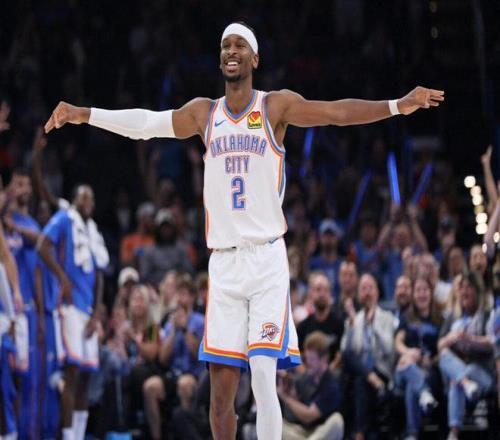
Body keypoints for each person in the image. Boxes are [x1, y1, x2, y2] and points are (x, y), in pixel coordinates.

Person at [44, 20, 444, 439]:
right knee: (220, 399)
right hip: (224, 265)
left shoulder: (274, 107)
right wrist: (84, 114)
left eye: (239, 45)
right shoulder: (205, 113)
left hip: (266, 258)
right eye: (225, 46)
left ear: (255, 58)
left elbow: (335, 113)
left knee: (263, 373)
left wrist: (396, 105)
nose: (231, 51)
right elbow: (146, 124)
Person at [37, 184, 109, 440]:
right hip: (69, 307)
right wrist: (62, 278)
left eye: (91, 198)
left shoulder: (92, 232)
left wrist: (97, 313)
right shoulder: (64, 219)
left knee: (86, 378)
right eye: (82, 197)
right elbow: (42, 245)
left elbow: (100, 274)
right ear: (75, 200)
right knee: (72, 374)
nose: (87, 202)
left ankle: (78, 435)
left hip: (88, 310)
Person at [4, 168, 43, 439]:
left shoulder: (27, 224)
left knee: (22, 378)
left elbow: (39, 246)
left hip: (22, 309)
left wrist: (38, 309)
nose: (24, 189)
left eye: (27, 184)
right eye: (18, 184)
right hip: (5, 309)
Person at [437, 271, 494, 440]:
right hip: (462, 372)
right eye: (461, 288)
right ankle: (466, 383)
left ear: (477, 291)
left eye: (468, 287)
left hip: (483, 373)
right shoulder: (453, 317)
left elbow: (493, 342)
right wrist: (451, 338)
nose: (464, 291)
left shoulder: (488, 314)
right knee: (444, 356)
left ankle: (454, 433)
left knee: (457, 379)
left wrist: (469, 339)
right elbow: (440, 346)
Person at [341, 273, 395, 440]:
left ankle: (359, 433)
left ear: (377, 293)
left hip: (381, 371)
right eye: (363, 288)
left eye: (370, 288)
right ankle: (361, 433)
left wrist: (374, 326)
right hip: (362, 373)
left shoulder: (387, 317)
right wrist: (351, 325)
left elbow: (389, 350)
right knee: (355, 370)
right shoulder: (353, 320)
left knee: (360, 382)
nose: (367, 292)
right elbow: (346, 352)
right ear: (359, 294)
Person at [394, 276, 443, 440]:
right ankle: (424, 392)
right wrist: (408, 353)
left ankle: (412, 434)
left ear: (431, 293)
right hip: (405, 368)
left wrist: (431, 361)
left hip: (429, 371)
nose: (422, 294)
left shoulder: (439, 319)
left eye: (425, 290)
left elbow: (443, 350)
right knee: (407, 367)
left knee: (412, 386)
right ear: (413, 295)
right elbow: (398, 342)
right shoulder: (406, 317)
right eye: (418, 290)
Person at [279, 331, 344, 440]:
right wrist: (289, 392)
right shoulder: (306, 378)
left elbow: (308, 416)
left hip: (321, 431)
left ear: (324, 359)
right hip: (304, 432)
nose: (308, 363)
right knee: (277, 424)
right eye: (307, 359)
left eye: (312, 359)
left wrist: (285, 397)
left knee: (337, 421)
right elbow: (297, 408)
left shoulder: (331, 384)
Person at [297, 271, 344, 369]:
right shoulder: (302, 327)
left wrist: (326, 374)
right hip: (308, 375)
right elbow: (298, 358)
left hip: (332, 374)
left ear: (330, 294)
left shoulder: (339, 324)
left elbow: (340, 356)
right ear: (311, 293)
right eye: (318, 289)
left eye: (326, 290)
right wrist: (307, 374)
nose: (322, 294)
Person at [309, 219, 344, 298]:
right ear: (320, 238)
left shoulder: (342, 265)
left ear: (337, 238)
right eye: (325, 235)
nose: (328, 238)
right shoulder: (313, 264)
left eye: (331, 235)